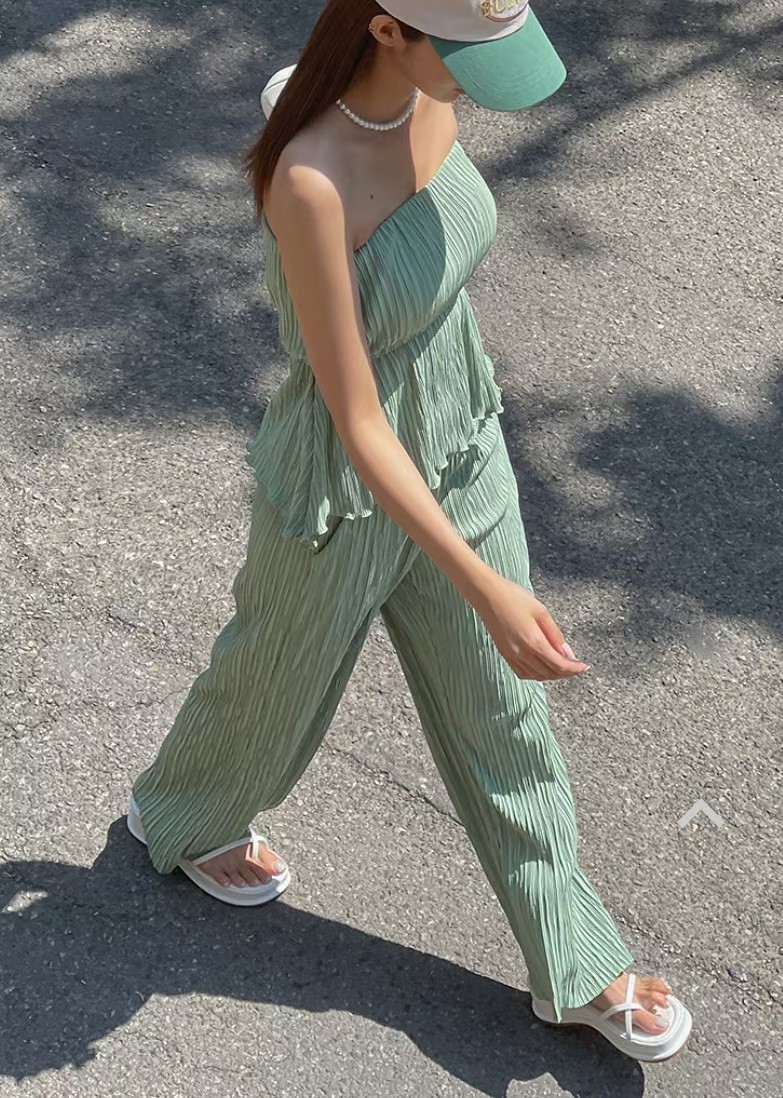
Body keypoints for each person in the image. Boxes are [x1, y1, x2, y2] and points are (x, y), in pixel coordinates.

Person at [127, 0, 692, 1063]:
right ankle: (182, 815)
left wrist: (483, 585)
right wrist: (484, 584)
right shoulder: (310, 180)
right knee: (273, 681)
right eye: (468, 56)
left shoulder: (434, 94)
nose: (483, 81)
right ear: (387, 30)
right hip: (344, 480)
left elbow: (435, 270)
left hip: (460, 432)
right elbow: (354, 418)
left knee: (504, 709)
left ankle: (574, 956)